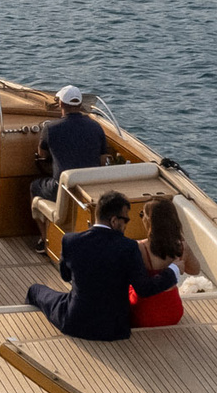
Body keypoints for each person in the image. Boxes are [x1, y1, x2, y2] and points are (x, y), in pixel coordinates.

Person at [27, 191, 173, 342]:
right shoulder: (129, 247)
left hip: (75, 322)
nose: (126, 225)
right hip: (115, 330)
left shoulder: (71, 241)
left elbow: (65, 276)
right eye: (126, 221)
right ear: (115, 221)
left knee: (35, 290)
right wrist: (173, 271)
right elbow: (145, 289)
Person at [28, 85, 106, 203]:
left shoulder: (50, 128)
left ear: (61, 104)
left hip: (62, 188)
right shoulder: (96, 127)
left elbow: (42, 154)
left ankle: (44, 220)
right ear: (80, 105)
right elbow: (103, 158)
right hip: (90, 186)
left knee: (35, 186)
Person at [130, 197, 193, 328]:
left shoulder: (139, 247)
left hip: (143, 315)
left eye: (142, 215)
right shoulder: (181, 246)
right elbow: (195, 270)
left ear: (148, 221)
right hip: (172, 313)